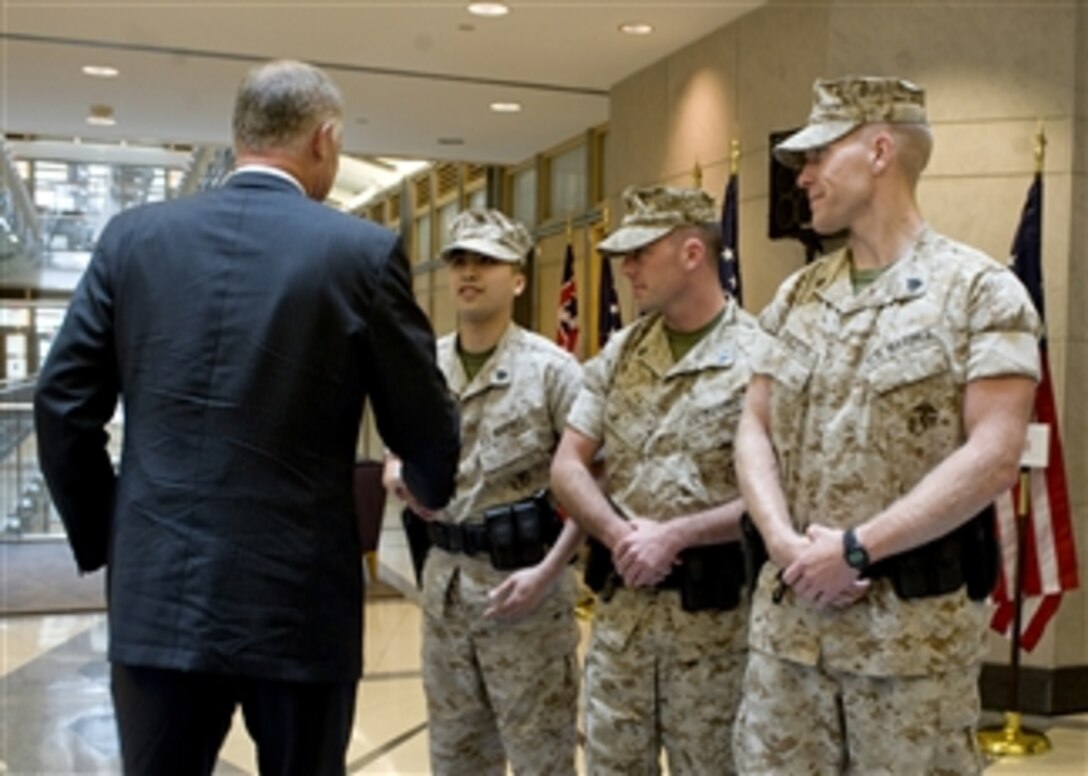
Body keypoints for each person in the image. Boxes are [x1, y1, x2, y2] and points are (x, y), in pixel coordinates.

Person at [33, 59, 460, 776]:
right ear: (324, 140)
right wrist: (429, 481)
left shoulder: (132, 241)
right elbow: (421, 419)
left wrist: (115, 531)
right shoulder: (359, 253)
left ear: (239, 138)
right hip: (298, 606)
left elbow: (62, 406)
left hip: (159, 598)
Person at [732, 75, 1041, 774]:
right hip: (788, 641)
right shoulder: (796, 297)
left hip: (909, 652)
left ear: (878, 150)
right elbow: (754, 426)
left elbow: (994, 456)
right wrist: (782, 541)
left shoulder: (981, 293)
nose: (803, 176)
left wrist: (858, 548)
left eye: (817, 156)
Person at [550, 185, 756, 775]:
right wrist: (619, 535)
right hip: (623, 628)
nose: (627, 268)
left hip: (718, 635)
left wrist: (678, 535)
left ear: (693, 253)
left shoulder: (759, 355)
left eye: (641, 252)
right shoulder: (621, 352)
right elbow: (568, 464)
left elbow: (782, 496)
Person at [383, 209, 584, 776]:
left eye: (486, 262)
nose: (469, 274)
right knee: (455, 759)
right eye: (460, 262)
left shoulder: (553, 372)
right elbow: (398, 445)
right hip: (446, 587)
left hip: (526, 595)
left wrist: (550, 570)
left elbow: (598, 487)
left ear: (518, 278)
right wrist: (395, 468)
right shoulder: (424, 365)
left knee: (541, 759)